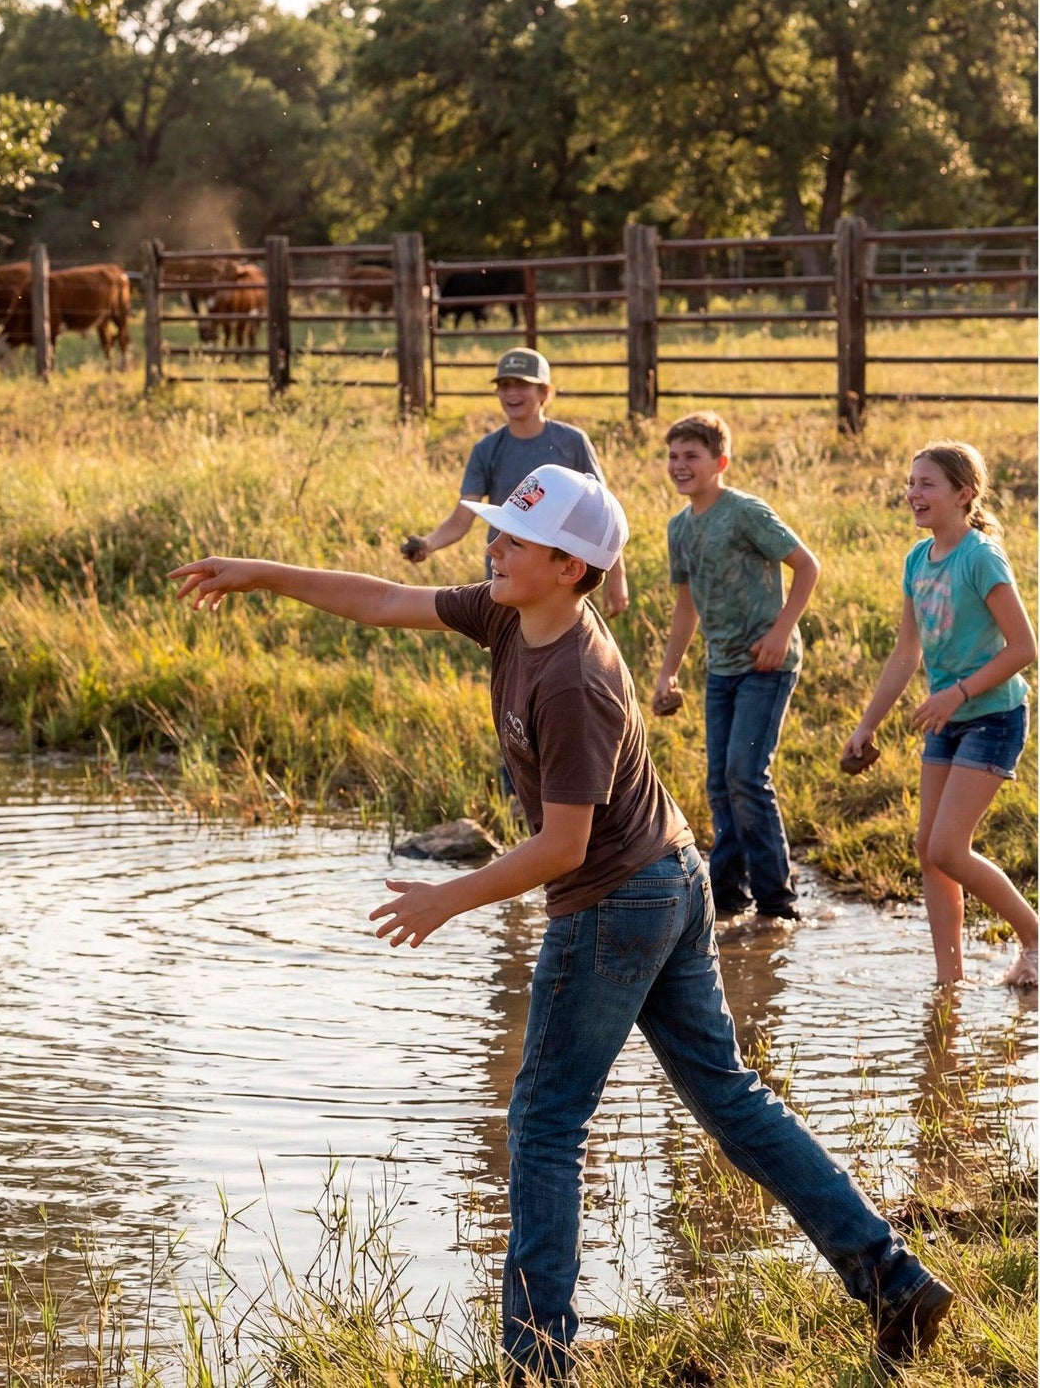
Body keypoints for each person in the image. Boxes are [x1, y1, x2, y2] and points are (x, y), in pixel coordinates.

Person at [171, 464, 953, 1381]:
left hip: (618, 902)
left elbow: (562, 847)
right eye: (497, 532)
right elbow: (383, 598)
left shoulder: (573, 678)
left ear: (570, 566)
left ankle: (536, 1359)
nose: (493, 547)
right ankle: (893, 1279)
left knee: (543, 1122)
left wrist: (442, 898)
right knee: (731, 1103)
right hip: (665, 879)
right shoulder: (510, 610)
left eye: (511, 538)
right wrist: (261, 572)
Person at [844, 441, 1037, 988]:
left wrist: (956, 693)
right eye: (911, 483)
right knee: (928, 851)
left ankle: (1035, 935)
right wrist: (867, 724)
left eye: (927, 484)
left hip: (994, 716)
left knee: (949, 847)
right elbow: (906, 653)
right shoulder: (916, 560)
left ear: (964, 494)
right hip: (947, 723)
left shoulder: (981, 557)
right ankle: (949, 983)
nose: (913, 494)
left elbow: (1024, 648)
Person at [651, 411, 819, 920]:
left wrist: (781, 630)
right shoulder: (679, 527)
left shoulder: (745, 512)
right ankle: (727, 897)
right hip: (720, 667)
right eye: (673, 457)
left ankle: (778, 900)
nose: (680, 466)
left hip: (766, 664)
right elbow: (687, 605)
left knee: (747, 774)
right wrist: (668, 671)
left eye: (692, 457)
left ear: (719, 462)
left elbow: (807, 565)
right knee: (720, 781)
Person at [403, 347, 629, 616]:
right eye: (504, 385)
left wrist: (617, 574)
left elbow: (602, 518)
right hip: (509, 572)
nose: (511, 393)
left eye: (522, 385)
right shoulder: (487, 449)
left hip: (558, 577)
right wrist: (428, 544)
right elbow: (462, 518)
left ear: (545, 392)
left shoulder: (571, 442)